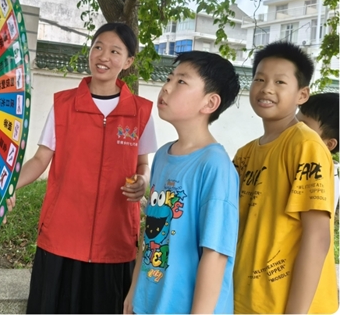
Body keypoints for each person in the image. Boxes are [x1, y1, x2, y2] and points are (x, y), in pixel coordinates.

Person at [8, 22, 158, 313]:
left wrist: (142, 181)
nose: (103, 56)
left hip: (115, 240)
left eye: (115, 51)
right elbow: (40, 159)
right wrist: (10, 187)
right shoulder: (63, 105)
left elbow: (143, 165)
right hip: (61, 237)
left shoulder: (140, 112)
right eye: (98, 47)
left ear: (128, 61)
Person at [124, 51, 241, 314]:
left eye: (181, 82)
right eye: (169, 78)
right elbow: (150, 231)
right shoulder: (163, 155)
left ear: (210, 103)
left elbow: (215, 253)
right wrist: (134, 289)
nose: (166, 87)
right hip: (149, 303)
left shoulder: (215, 165)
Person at [233, 42, 338, 314]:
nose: (267, 88)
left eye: (280, 82)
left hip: (287, 306)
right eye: (260, 79)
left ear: (302, 94)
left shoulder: (306, 145)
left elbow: (317, 237)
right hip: (245, 300)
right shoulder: (244, 154)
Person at [297, 92, 339, 213]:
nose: (292, 129)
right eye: (294, 122)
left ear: (329, 144)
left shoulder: (320, 178)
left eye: (303, 127)